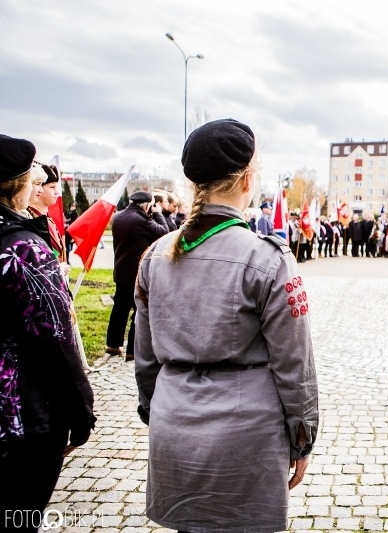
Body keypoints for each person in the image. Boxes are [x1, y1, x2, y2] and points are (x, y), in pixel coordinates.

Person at [134, 119, 318, 532]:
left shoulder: (155, 254)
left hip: (173, 425)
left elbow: (145, 360)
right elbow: (294, 364)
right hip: (245, 435)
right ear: (247, 179)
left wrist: (157, 411)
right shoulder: (268, 258)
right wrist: (302, 435)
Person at [0, 135, 95, 532]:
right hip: (17, 415)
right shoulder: (22, 248)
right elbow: (54, 337)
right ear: (20, 185)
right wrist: (81, 412)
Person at [105, 190, 169, 361]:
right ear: (147, 205)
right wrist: (158, 213)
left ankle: (112, 344)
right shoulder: (141, 219)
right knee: (138, 311)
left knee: (119, 309)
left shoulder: (118, 216)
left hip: (121, 270)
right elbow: (164, 231)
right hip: (136, 273)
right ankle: (132, 350)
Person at [27, 163, 69, 269]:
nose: (57, 192)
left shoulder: (46, 218)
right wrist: (57, 269)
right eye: (52, 187)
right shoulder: (29, 219)